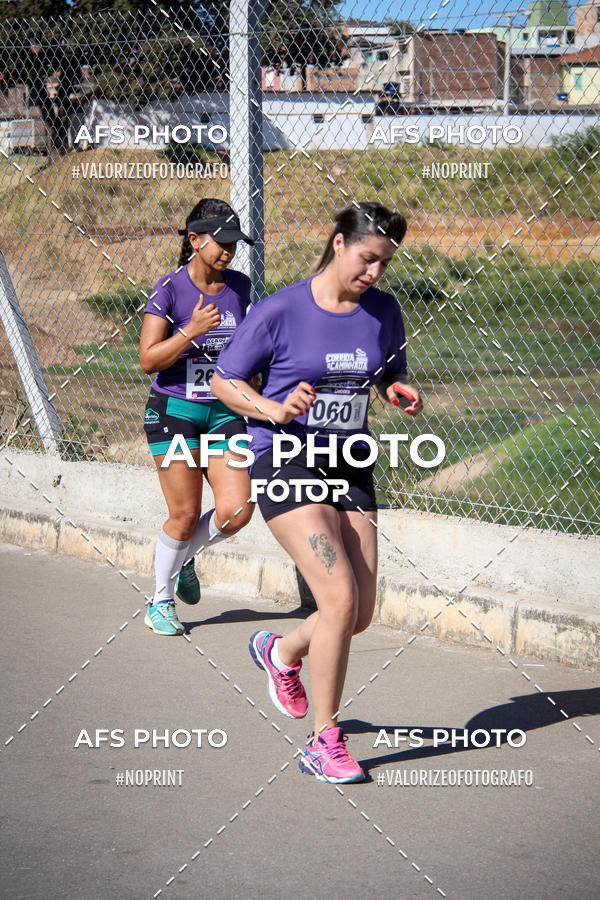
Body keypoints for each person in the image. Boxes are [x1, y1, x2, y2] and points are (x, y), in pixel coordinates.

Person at [211, 202, 423, 783]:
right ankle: (323, 742)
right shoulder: (281, 309)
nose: (374, 273)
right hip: (282, 456)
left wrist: (397, 389)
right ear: (338, 244)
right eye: (367, 258)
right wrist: (273, 407)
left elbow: (385, 371)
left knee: (358, 613)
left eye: (384, 263)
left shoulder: (383, 311)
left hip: (348, 461)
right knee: (336, 598)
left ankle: (280, 653)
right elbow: (224, 380)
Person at [139, 199, 255, 635]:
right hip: (174, 411)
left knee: (237, 512)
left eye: (235, 244)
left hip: (224, 412)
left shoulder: (240, 287)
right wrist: (190, 331)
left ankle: (183, 557)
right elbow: (149, 360)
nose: (229, 251)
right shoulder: (169, 289)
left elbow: (248, 347)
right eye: (222, 242)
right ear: (195, 239)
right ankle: (161, 601)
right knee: (185, 515)